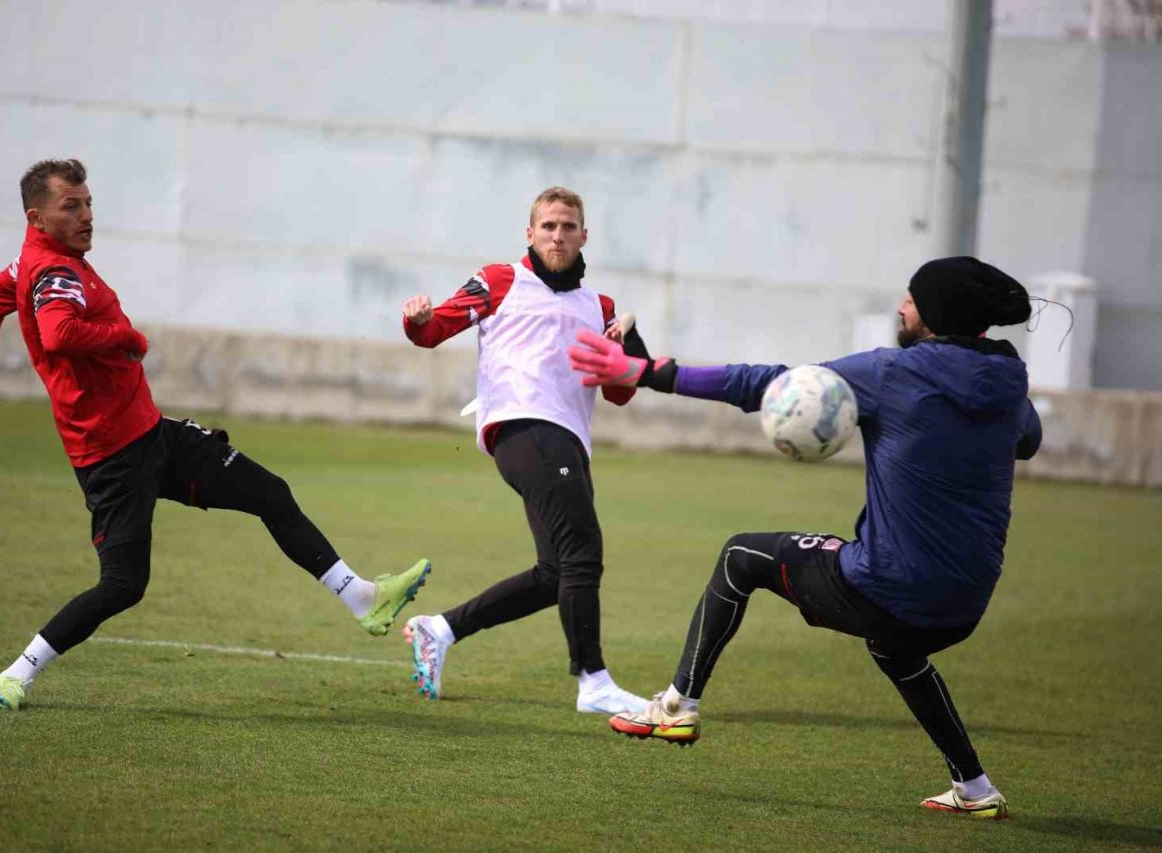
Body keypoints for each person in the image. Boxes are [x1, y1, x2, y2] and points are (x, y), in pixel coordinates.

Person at [0, 158, 431, 711]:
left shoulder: (28, 263)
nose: (87, 215)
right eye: (71, 206)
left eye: (88, 202)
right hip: (112, 456)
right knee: (123, 585)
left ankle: (362, 598)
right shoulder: (54, 274)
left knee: (270, 492)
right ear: (37, 216)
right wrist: (126, 337)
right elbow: (60, 333)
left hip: (149, 435)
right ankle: (14, 675)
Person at [569, 256, 1041, 819]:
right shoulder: (1009, 385)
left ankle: (675, 705)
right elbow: (1027, 441)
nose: (901, 306)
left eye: (911, 298)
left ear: (935, 314)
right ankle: (975, 787)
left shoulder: (892, 373)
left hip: (888, 586)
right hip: (966, 603)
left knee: (742, 556)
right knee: (899, 649)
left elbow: (770, 384)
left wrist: (651, 372)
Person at [397, 186, 648, 715]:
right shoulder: (500, 280)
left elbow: (622, 391)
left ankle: (439, 629)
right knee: (584, 550)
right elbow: (434, 329)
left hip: (569, 441)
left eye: (568, 227)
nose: (558, 235)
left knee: (556, 572)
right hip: (523, 427)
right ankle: (594, 681)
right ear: (530, 233)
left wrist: (630, 333)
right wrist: (417, 319)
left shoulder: (598, 305)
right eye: (549, 226)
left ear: (584, 236)